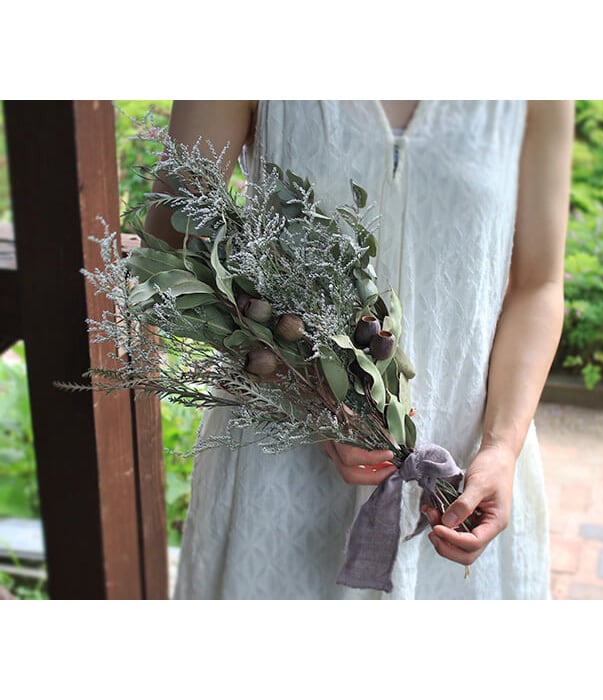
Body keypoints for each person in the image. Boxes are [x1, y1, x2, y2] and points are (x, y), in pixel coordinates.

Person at [146, 100, 574, 599]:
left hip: (463, 477)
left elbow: (539, 285)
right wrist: (311, 390)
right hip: (279, 466)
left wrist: (502, 447)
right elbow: (171, 248)